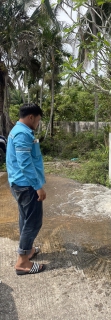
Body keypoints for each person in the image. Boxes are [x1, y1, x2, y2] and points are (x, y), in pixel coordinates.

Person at [6, 103, 46, 275]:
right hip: (26, 186)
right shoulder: (22, 133)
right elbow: (25, 164)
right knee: (33, 222)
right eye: (38, 120)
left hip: (19, 184)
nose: (37, 123)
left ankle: (27, 250)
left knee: (25, 218)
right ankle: (22, 263)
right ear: (31, 117)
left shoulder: (17, 130)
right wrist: (38, 187)